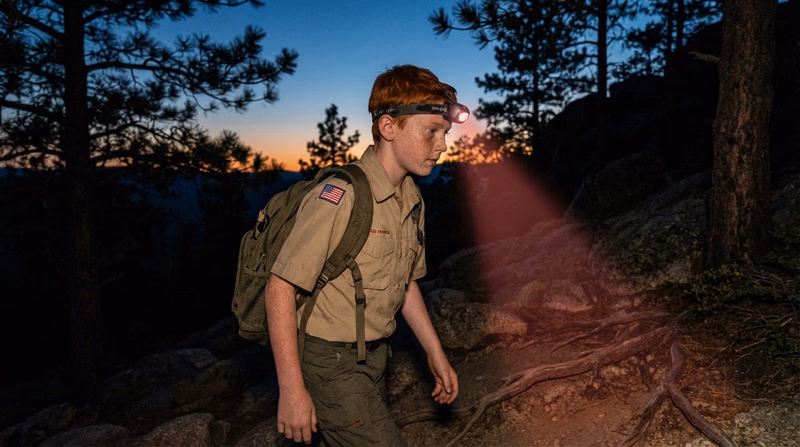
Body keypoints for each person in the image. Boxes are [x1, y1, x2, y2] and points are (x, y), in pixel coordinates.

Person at [265, 64, 465, 446]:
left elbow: (406, 285)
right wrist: (291, 390)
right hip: (328, 361)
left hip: (374, 358)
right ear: (388, 127)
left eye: (445, 134)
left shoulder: (411, 200)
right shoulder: (341, 197)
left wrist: (436, 354)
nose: (442, 145)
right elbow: (279, 287)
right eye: (431, 132)